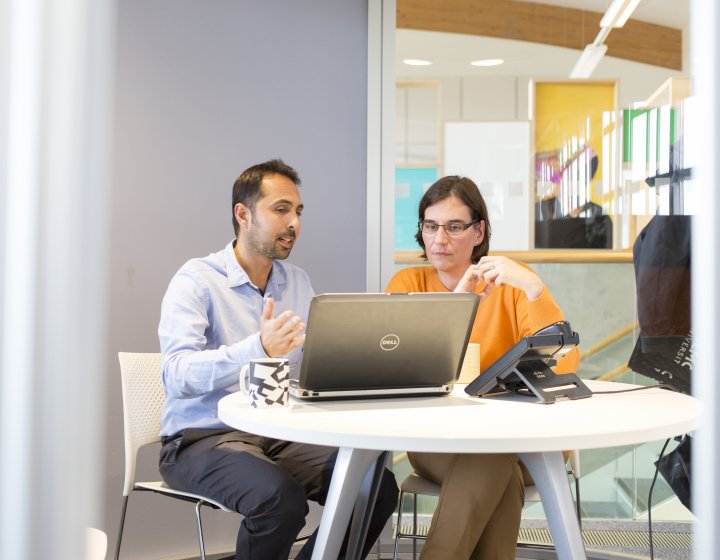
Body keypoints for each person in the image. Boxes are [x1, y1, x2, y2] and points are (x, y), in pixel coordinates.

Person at [158, 159, 398, 560]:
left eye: (299, 212)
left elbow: (315, 363)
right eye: (281, 209)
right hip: (200, 437)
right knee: (279, 500)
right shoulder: (197, 280)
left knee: (374, 486)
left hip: (276, 433)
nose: (294, 223)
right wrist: (258, 349)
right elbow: (175, 374)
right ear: (243, 214)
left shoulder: (297, 282)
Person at [386, 175, 579, 560]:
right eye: (430, 226)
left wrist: (535, 288)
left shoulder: (512, 282)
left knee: (493, 457)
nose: (439, 239)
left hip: (527, 442)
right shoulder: (408, 281)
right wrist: (460, 303)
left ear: (479, 232)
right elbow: (400, 368)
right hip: (439, 441)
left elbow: (562, 363)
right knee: (492, 462)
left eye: (455, 227)